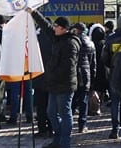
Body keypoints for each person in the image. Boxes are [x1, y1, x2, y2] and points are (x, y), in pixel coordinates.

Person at [29, 9, 81, 148]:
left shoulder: (70, 43)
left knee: (64, 113)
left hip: (64, 84)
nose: (55, 28)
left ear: (64, 29)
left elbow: (67, 68)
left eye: (57, 26)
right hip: (53, 84)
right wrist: (33, 12)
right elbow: (46, 26)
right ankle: (58, 138)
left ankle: (65, 142)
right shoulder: (57, 37)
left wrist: (52, 75)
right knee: (51, 112)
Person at [102, 14, 121, 139]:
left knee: (115, 102)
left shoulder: (110, 38)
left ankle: (115, 129)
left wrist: (111, 67)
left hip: (114, 74)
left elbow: (104, 58)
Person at [72, 22, 97, 133]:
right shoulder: (90, 43)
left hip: (74, 74)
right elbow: (93, 63)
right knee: (83, 101)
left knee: (72, 100)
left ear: (76, 30)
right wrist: (92, 77)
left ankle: (68, 122)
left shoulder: (73, 41)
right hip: (85, 74)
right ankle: (82, 125)